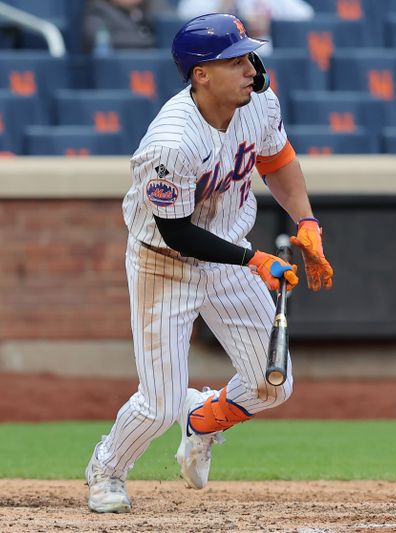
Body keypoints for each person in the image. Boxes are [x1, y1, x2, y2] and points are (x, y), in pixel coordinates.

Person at [84, 13, 334, 514]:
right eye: (235, 60)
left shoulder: (257, 101)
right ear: (201, 74)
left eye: (248, 56)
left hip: (228, 256)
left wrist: (307, 221)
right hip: (165, 264)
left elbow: (277, 159)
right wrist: (255, 259)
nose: (250, 67)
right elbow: (178, 233)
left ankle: (201, 420)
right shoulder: (171, 142)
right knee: (157, 405)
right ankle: (106, 470)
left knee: (272, 382)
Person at [177, 0, 314, 53]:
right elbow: (183, 16)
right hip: (220, 56)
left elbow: (306, 15)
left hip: (265, 54)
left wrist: (271, 25)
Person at [82, 0, 174, 54]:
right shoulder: (98, 10)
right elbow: (102, 40)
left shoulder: (147, 7)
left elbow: (171, 24)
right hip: (120, 71)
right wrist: (152, 41)